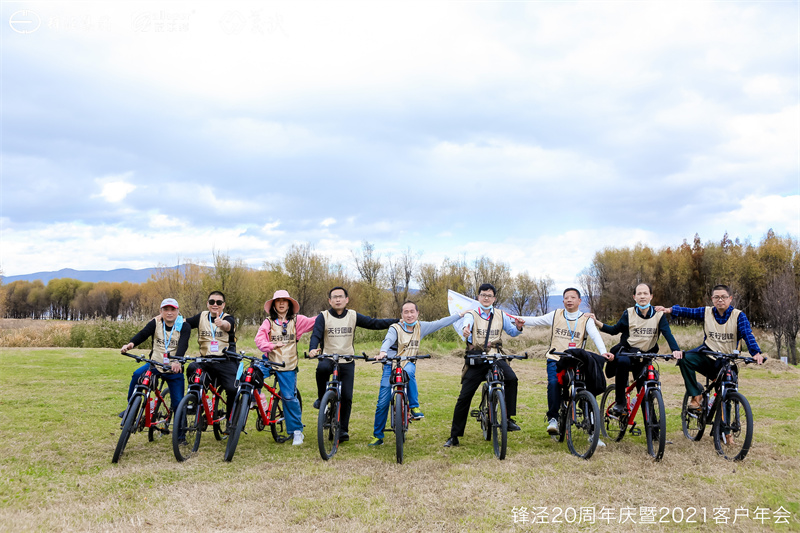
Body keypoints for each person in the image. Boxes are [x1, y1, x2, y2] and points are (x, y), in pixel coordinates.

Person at [655, 284, 764, 441]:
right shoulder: (707, 312)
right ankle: (696, 396)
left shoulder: (739, 316)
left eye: (724, 297)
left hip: (727, 362)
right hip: (708, 357)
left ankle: (727, 434)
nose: (720, 300)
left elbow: (748, 334)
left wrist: (756, 353)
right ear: (712, 299)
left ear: (730, 299)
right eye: (716, 297)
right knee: (684, 359)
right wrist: (669, 310)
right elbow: (689, 312)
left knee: (727, 392)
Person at [308, 286, 399, 442]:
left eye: (340, 296)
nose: (338, 299)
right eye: (334, 297)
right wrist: (312, 349)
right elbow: (316, 334)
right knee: (322, 369)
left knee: (347, 397)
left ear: (346, 299)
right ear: (330, 301)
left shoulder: (352, 315)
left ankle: (343, 430)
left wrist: (398, 321)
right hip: (328, 357)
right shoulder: (323, 316)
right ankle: (321, 398)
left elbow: (374, 323)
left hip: (347, 360)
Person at [520, 288, 613, 435]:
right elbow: (535, 321)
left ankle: (592, 429)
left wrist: (603, 352)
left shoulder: (585, 319)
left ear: (579, 301)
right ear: (563, 300)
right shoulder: (556, 314)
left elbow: (595, 335)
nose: (569, 300)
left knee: (586, 389)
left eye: (572, 297)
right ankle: (553, 419)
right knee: (554, 384)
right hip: (556, 359)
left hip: (577, 362)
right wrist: (512, 318)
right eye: (566, 298)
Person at [369, 301, 463, 446]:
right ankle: (378, 436)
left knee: (409, 373)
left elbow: (441, 323)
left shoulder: (421, 327)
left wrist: (459, 315)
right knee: (382, 401)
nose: (409, 315)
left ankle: (414, 406)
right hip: (390, 364)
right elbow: (388, 340)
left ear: (417, 313)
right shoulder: (395, 328)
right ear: (401, 315)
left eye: (412, 311)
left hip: (408, 362)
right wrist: (383, 352)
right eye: (405, 312)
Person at [444, 283, 526, 448]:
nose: (486, 298)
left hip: (496, 356)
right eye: (483, 295)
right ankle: (454, 436)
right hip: (478, 357)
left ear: (494, 298)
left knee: (512, 379)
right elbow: (467, 325)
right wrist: (467, 330)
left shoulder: (501, 314)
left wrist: (519, 327)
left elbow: (512, 332)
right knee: (464, 396)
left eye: (489, 295)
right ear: (478, 297)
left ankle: (508, 419)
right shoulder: (472, 314)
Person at [592, 283, 682, 416]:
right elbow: (614, 330)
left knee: (645, 393)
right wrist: (597, 322)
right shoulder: (629, 313)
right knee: (622, 362)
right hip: (628, 352)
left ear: (651, 296)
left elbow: (667, 333)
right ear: (634, 297)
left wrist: (676, 350)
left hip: (646, 355)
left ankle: (655, 434)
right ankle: (620, 403)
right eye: (639, 294)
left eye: (645, 293)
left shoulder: (659, 314)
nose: (642, 296)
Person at [255, 290, 316, 445]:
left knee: (289, 397)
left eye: (284, 300)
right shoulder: (268, 322)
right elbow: (259, 339)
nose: (281, 303)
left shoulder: (297, 321)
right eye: (278, 300)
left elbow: (316, 321)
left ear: (289, 304)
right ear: (274, 304)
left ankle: (297, 431)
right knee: (250, 377)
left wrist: (330, 313)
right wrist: (271, 345)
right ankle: (258, 401)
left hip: (288, 365)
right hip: (269, 361)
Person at [120, 298, 191, 416]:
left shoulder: (184, 326)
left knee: (179, 404)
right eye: (166, 309)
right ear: (161, 311)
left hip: (173, 368)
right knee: (137, 375)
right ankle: (131, 408)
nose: (169, 312)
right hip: (155, 365)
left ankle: (180, 433)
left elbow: (183, 344)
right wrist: (130, 344)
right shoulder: (156, 322)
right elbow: (143, 334)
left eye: (172, 310)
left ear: (178, 311)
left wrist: (177, 361)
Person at [184, 291, 237, 419]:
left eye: (218, 302)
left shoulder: (228, 318)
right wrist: (166, 319)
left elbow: (229, 325)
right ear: (207, 304)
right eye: (212, 302)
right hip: (206, 361)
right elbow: (186, 323)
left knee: (232, 389)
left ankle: (231, 420)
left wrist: (221, 324)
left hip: (225, 360)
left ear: (223, 305)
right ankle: (196, 401)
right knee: (191, 368)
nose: (215, 305)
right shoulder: (202, 316)